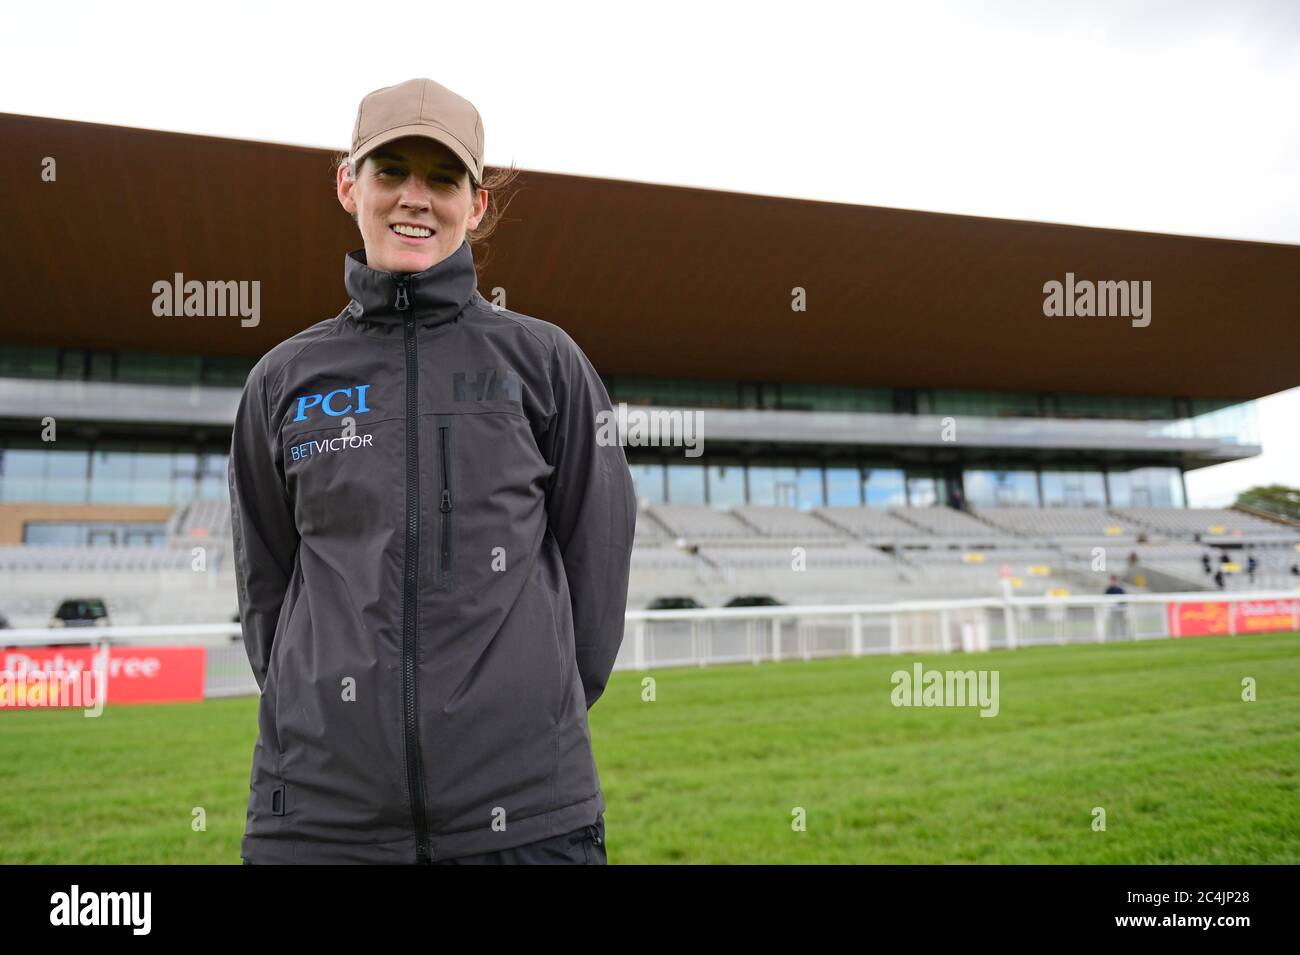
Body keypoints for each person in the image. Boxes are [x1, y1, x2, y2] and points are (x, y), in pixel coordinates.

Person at [229, 78, 636, 865]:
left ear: (476, 205)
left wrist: (524, 712)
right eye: (392, 171)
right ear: (349, 184)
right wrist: (323, 711)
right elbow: (267, 595)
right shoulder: (283, 381)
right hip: (318, 823)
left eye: (443, 178)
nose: (416, 198)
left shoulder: (545, 362)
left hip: (527, 816)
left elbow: (599, 562)